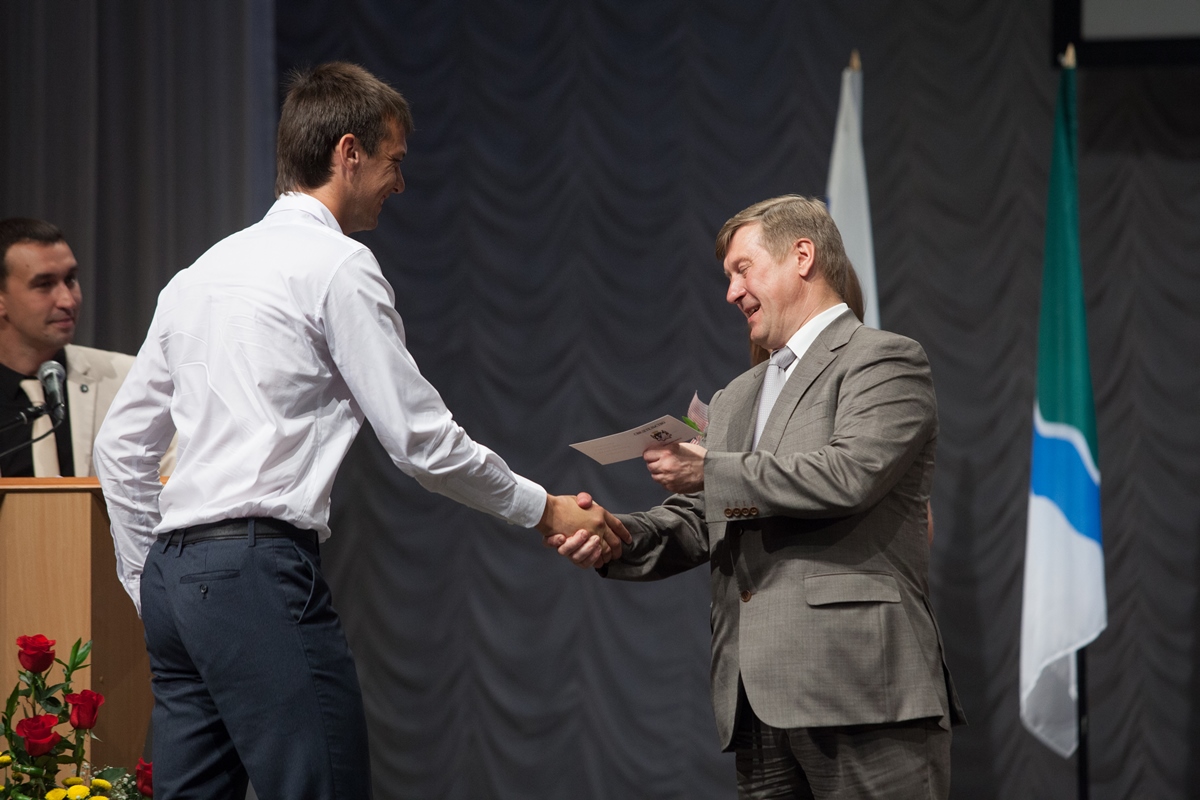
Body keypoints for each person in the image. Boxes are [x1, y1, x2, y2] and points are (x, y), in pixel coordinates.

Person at [93, 62, 628, 800]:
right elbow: (420, 441)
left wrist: (145, 581)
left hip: (176, 583)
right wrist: (545, 509)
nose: (400, 184)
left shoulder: (198, 273)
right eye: (394, 162)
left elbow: (120, 445)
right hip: (255, 572)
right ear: (349, 153)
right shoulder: (337, 265)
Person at [548, 195, 964, 799]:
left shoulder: (884, 359)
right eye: (728, 277)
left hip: (863, 690)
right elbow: (705, 517)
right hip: (755, 703)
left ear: (802, 256)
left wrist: (710, 470)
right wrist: (615, 536)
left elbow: (848, 474)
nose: (731, 293)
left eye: (743, 269)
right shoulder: (735, 397)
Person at [0, 218, 175, 477]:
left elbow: (174, 479)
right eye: (44, 284)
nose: (67, 301)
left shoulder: (130, 379)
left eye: (70, 279)